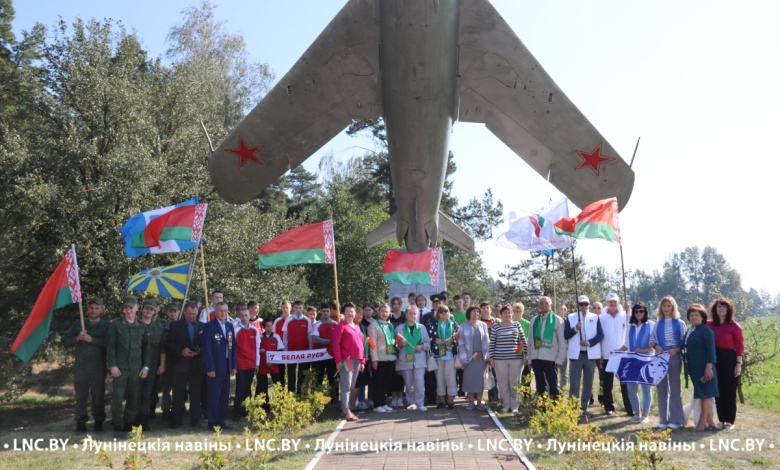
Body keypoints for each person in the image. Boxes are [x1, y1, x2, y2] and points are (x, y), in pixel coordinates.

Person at [63, 297, 110, 432]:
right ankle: (81, 423)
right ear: (87, 309)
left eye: (96, 308)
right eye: (91, 308)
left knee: (98, 395)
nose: (93, 310)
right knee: (81, 395)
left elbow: (109, 344)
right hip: (81, 366)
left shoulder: (107, 326)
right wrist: (78, 338)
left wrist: (91, 339)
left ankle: (98, 422)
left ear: (101, 310)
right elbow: (66, 342)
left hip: (98, 366)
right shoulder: (79, 324)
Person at [106, 296, 150, 434]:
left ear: (137, 308)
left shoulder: (142, 326)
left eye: (131, 307)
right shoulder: (116, 324)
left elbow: (146, 349)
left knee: (134, 398)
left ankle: (129, 423)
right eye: (126, 307)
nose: (128, 310)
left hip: (136, 368)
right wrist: (112, 365)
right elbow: (111, 347)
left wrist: (146, 367)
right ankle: (117, 425)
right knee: (117, 398)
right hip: (120, 368)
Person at [650, 295, 687, 430]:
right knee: (661, 388)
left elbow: (684, 342)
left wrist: (677, 349)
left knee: (675, 388)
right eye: (664, 306)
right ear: (661, 308)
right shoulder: (657, 323)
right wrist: (656, 347)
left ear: (673, 307)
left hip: (674, 357)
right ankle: (663, 419)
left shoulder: (680, 323)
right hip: (660, 357)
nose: (666, 308)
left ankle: (676, 420)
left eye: (669, 306)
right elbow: (652, 339)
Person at [563, 295, 603, 418]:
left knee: (588, 383)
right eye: (581, 304)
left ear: (589, 305)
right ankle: (572, 408)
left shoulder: (595, 318)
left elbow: (600, 335)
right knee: (574, 384)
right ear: (578, 305)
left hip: (590, 355)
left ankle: (584, 407)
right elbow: (566, 335)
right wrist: (576, 328)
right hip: (576, 355)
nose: (584, 306)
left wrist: (589, 343)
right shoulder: (570, 318)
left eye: (586, 304)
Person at [707, 297, 743, 430]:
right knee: (718, 390)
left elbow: (739, 347)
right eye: (719, 306)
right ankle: (721, 420)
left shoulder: (734, 326)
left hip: (729, 358)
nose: (721, 308)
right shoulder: (709, 324)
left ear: (728, 309)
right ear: (715, 309)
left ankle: (730, 421)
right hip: (714, 358)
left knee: (729, 390)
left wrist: (738, 364)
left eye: (724, 306)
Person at [166, 302, 203, 429]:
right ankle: (175, 420)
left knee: (196, 394)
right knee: (178, 394)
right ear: (184, 313)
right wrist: (181, 351)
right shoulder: (175, 326)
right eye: (189, 314)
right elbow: (169, 344)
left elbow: (205, 344)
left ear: (197, 314)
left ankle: (195, 420)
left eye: (194, 314)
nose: (192, 316)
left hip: (196, 365)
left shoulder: (202, 326)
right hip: (180, 365)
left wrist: (200, 350)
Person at [201, 302, 237, 430]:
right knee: (214, 396)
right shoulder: (209, 327)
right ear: (215, 312)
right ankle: (212, 422)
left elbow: (233, 347)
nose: (224, 313)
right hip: (215, 368)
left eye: (226, 311)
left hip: (227, 367)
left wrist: (233, 365)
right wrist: (210, 368)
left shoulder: (229, 326)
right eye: (221, 310)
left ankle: (221, 422)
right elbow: (207, 349)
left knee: (224, 396)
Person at [619, 302, 655, 424]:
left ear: (645, 312)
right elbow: (626, 344)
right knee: (631, 389)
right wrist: (617, 351)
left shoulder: (651, 325)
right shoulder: (631, 326)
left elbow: (654, 346)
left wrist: (643, 350)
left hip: (646, 361)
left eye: (641, 311)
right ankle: (636, 413)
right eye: (636, 311)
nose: (639, 313)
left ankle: (645, 415)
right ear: (633, 313)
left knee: (646, 388)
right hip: (632, 361)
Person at [684, 304, 718, 431]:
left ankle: (702, 423)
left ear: (702, 317)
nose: (693, 317)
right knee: (704, 393)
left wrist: (708, 367)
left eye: (696, 315)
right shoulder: (690, 330)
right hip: (694, 367)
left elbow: (711, 350)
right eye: (691, 315)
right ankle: (710, 421)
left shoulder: (706, 330)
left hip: (705, 367)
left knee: (705, 394)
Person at [489, 306, 527, 413]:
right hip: (499, 360)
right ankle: (506, 405)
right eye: (505, 312)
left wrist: (526, 355)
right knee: (503, 383)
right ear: (501, 315)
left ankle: (515, 407)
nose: (507, 314)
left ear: (513, 314)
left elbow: (523, 341)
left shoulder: (517, 325)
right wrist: (491, 357)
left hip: (516, 360)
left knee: (514, 382)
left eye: (509, 312)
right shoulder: (496, 327)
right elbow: (492, 344)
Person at [526, 296, 566, 398]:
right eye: (542, 303)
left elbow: (562, 342)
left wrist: (560, 359)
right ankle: (541, 409)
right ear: (539, 305)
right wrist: (529, 359)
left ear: (551, 305)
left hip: (551, 358)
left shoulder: (558, 320)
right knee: (540, 386)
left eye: (546, 303)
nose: (544, 305)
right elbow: (530, 341)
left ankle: (554, 410)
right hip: (536, 358)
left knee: (553, 386)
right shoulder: (534, 320)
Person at [599, 293, 631, 416]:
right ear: (607, 303)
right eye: (610, 302)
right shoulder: (601, 317)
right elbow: (599, 336)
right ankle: (609, 407)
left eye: (615, 302)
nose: (613, 304)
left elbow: (632, 323)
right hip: (607, 354)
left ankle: (629, 408)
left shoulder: (624, 315)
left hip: (623, 354)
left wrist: (629, 311)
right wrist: (600, 354)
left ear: (619, 303)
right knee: (608, 383)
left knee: (625, 382)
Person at [332, 302, 365, 421]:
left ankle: (347, 409)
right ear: (343, 313)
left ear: (355, 313)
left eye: (352, 311)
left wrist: (363, 361)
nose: (350, 313)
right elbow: (335, 345)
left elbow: (361, 344)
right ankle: (345, 411)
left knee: (351, 386)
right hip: (347, 361)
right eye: (348, 311)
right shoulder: (341, 326)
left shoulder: (357, 326)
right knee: (346, 385)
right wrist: (338, 361)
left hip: (357, 359)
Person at [395, 305, 430, 411]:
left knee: (419, 381)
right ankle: (411, 402)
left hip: (419, 359)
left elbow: (428, 343)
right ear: (406, 315)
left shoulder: (422, 327)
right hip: (405, 359)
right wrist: (401, 344)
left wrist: (422, 346)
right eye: (410, 313)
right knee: (408, 383)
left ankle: (420, 403)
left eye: (415, 314)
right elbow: (395, 345)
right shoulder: (399, 328)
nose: (413, 315)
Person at [138, 299, 166, 430]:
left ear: (155, 312)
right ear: (142, 309)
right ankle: (133, 418)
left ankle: (144, 419)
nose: (148, 311)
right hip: (135, 362)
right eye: (146, 308)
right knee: (134, 392)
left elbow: (162, 349)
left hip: (153, 364)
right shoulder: (135, 324)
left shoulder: (159, 328)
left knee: (147, 392)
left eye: (151, 309)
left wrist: (162, 365)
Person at [459, 306, 490, 410]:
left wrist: (488, 356)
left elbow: (487, 342)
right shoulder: (463, 326)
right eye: (474, 311)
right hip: (469, 357)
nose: (476, 313)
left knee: (480, 380)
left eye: (478, 312)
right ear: (469, 313)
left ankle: (479, 403)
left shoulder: (483, 325)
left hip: (481, 357)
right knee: (470, 379)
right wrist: (463, 359)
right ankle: (471, 403)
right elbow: (461, 344)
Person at [428, 305, 459, 409]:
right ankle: (441, 401)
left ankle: (450, 401)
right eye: (441, 311)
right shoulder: (434, 324)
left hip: (450, 354)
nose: (443, 313)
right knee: (440, 378)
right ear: (438, 314)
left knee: (451, 378)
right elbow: (429, 337)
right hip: (438, 354)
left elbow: (459, 337)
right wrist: (436, 341)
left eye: (446, 311)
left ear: (449, 312)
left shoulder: (454, 324)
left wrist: (452, 340)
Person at [233, 304, 260, 422]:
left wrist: (257, 363)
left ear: (250, 316)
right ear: (239, 316)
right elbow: (232, 349)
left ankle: (245, 410)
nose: (244, 317)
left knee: (247, 388)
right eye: (242, 315)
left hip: (251, 364)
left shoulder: (255, 330)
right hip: (240, 364)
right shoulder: (236, 330)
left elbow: (258, 347)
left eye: (246, 315)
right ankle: (236, 413)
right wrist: (233, 365)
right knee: (240, 387)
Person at [369, 303, 398, 413]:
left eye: (387, 311)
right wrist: (374, 359)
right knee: (378, 382)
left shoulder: (389, 325)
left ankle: (383, 402)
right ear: (378, 312)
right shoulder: (374, 324)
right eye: (382, 311)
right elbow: (373, 344)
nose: (384, 313)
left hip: (389, 358)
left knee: (386, 382)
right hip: (379, 359)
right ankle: (377, 405)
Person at [283, 300, 312, 393]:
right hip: (291, 351)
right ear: (293, 309)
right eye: (296, 308)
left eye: (300, 308)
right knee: (291, 374)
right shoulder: (288, 320)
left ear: (303, 308)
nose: (298, 310)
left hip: (304, 352)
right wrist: (285, 349)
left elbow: (309, 336)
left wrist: (310, 350)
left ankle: (301, 392)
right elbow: (285, 336)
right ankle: (291, 392)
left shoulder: (307, 320)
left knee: (302, 373)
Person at [311, 303, 338, 398]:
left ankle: (334, 397)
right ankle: (318, 398)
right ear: (321, 312)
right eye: (324, 311)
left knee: (333, 377)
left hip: (332, 355)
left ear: (330, 312)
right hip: (319, 355)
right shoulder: (317, 324)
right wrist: (329, 341)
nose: (326, 313)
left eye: (327, 311)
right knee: (319, 377)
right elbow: (315, 339)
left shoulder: (336, 324)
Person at [257, 320, 284, 411]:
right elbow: (256, 350)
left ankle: (280, 403)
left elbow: (280, 350)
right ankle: (265, 406)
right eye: (267, 326)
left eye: (271, 326)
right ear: (264, 327)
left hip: (274, 364)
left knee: (277, 384)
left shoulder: (276, 336)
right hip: (262, 365)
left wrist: (272, 361)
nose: (269, 328)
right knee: (263, 386)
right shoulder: (259, 337)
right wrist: (260, 351)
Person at [160, 304, 180, 423]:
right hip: (166, 361)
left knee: (179, 388)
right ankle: (165, 410)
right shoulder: (162, 327)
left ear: (178, 312)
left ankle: (179, 408)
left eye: (175, 311)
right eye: (170, 311)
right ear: (167, 313)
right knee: (166, 388)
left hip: (179, 360)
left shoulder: (182, 326)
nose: (173, 313)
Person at [352, 307, 372, 412]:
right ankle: (353, 403)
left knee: (362, 381)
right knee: (354, 382)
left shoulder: (363, 327)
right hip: (353, 359)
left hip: (364, 358)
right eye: (357, 314)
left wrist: (367, 354)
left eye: (361, 314)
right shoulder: (351, 326)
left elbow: (367, 342)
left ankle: (361, 401)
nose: (359, 316)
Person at [388, 296, 406, 407]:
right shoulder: (389, 317)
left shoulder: (404, 317)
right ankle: (393, 397)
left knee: (401, 374)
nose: (395, 305)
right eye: (393, 304)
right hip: (391, 348)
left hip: (403, 348)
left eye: (397, 303)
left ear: (400, 305)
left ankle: (400, 397)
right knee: (392, 374)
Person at [273, 300, 292, 390]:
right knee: (281, 373)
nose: (285, 309)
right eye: (283, 307)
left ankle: (291, 392)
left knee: (291, 372)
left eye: (286, 307)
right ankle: (281, 394)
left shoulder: (293, 320)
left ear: (290, 308)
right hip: (279, 351)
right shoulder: (277, 321)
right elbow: (273, 335)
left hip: (292, 350)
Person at [557, 302, 570, 389]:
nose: (560, 310)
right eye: (559, 309)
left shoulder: (568, 321)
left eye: (563, 309)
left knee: (564, 374)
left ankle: (562, 392)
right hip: (554, 349)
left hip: (565, 349)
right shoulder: (554, 320)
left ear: (565, 311)